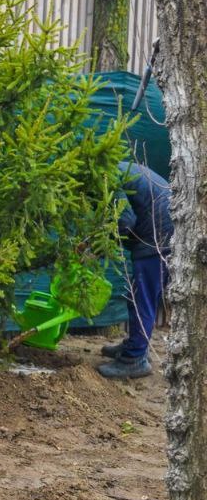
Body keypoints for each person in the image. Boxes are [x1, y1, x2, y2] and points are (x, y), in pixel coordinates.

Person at [98, 160, 173, 379]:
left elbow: (125, 220)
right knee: (139, 296)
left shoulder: (107, 176)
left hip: (159, 234)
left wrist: (101, 246)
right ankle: (134, 346)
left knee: (143, 298)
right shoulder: (114, 168)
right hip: (160, 225)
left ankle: (134, 359)